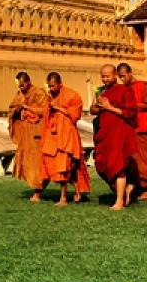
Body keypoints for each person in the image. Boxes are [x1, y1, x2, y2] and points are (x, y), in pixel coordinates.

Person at [89, 64, 139, 210]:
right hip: (104, 132)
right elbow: (93, 110)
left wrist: (109, 107)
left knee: (117, 164)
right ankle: (126, 189)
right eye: (103, 76)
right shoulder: (101, 91)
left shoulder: (124, 90)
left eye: (108, 76)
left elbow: (130, 113)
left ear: (115, 74)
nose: (105, 79)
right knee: (101, 164)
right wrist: (99, 106)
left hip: (119, 132)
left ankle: (119, 202)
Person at [39, 71, 89, 205]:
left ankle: (63, 198)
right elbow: (46, 116)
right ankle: (77, 190)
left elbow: (75, 116)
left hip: (66, 137)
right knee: (54, 166)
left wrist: (59, 108)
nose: (51, 89)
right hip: (53, 137)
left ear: (60, 84)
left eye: (53, 86)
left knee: (64, 167)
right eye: (49, 86)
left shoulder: (72, 95)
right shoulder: (49, 97)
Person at [116, 62, 147, 202]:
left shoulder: (142, 85)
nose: (122, 79)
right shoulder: (121, 89)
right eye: (120, 77)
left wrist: (132, 106)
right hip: (128, 129)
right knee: (130, 160)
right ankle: (132, 186)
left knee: (144, 159)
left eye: (123, 76)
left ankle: (146, 188)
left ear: (130, 73)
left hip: (142, 128)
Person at [8, 71, 49, 200]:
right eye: (19, 86)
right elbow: (12, 110)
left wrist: (27, 107)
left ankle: (37, 191)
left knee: (38, 162)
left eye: (23, 85)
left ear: (28, 82)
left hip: (38, 132)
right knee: (27, 162)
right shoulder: (19, 95)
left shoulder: (38, 93)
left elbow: (45, 111)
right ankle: (36, 189)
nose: (21, 88)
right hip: (26, 134)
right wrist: (18, 109)